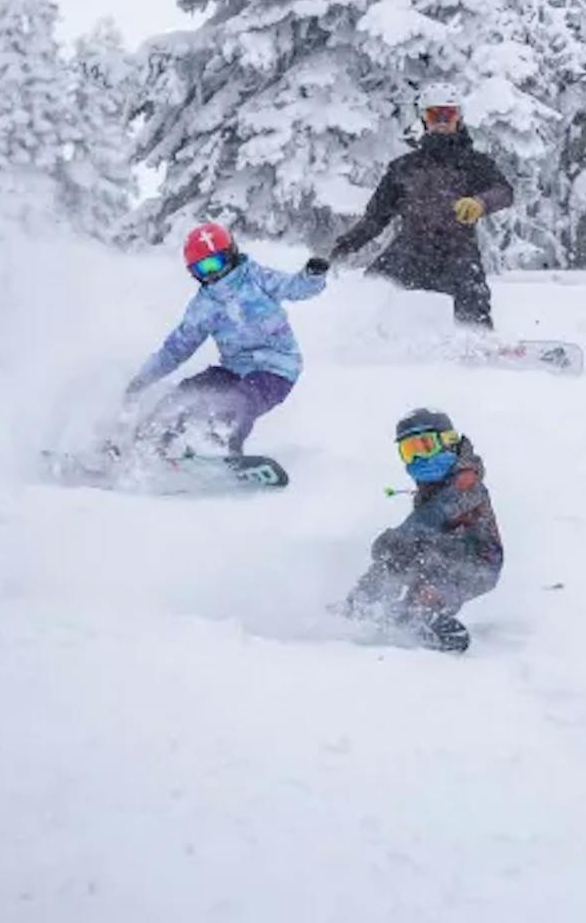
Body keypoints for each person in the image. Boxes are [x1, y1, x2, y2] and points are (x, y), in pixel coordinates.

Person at [124, 222, 330, 456]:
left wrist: (312, 277)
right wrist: (144, 378)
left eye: (216, 263)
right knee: (185, 394)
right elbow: (175, 350)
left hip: (277, 369)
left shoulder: (256, 277)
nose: (212, 273)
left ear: (231, 254)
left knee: (237, 400)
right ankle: (144, 444)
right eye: (203, 269)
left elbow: (292, 287)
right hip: (233, 369)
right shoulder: (203, 307)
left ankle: (220, 446)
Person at [329, 84, 514, 329]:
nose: (441, 121)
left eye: (447, 114)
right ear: (423, 119)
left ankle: (479, 348)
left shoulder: (475, 164)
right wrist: (343, 248)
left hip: (458, 255)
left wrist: (480, 202)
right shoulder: (404, 168)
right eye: (433, 115)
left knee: (473, 314)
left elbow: (504, 192)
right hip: (409, 252)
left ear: (459, 117)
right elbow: (375, 218)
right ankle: (359, 343)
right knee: (371, 295)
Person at [345, 408, 504, 653]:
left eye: (425, 446)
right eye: (409, 451)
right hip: (437, 551)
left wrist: (397, 538)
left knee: (428, 572)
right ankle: (365, 602)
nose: (418, 458)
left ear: (448, 442)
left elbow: (433, 516)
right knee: (398, 558)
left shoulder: (467, 481)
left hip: (477, 564)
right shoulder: (430, 487)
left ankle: (421, 612)